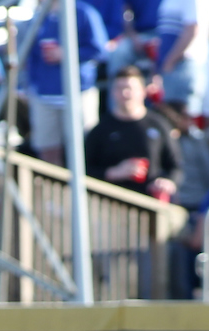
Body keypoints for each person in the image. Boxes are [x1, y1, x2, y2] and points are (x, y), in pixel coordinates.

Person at [26, 0, 108, 164]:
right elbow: (31, 56)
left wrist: (67, 54)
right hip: (45, 96)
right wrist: (32, 86)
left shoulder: (84, 13)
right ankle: (53, 188)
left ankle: (82, 187)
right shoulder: (39, 17)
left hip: (79, 93)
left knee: (83, 148)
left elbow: (100, 50)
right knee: (47, 148)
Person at [85, 64, 183, 199]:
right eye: (120, 88)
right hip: (111, 204)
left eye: (130, 88)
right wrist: (113, 173)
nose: (125, 93)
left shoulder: (158, 124)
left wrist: (167, 182)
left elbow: (176, 167)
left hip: (150, 205)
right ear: (113, 92)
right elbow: (85, 170)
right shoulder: (101, 129)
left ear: (143, 91)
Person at [155, 0, 209, 116]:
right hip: (171, 67)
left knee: (184, 119)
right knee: (170, 119)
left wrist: (169, 62)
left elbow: (192, 29)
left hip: (183, 65)